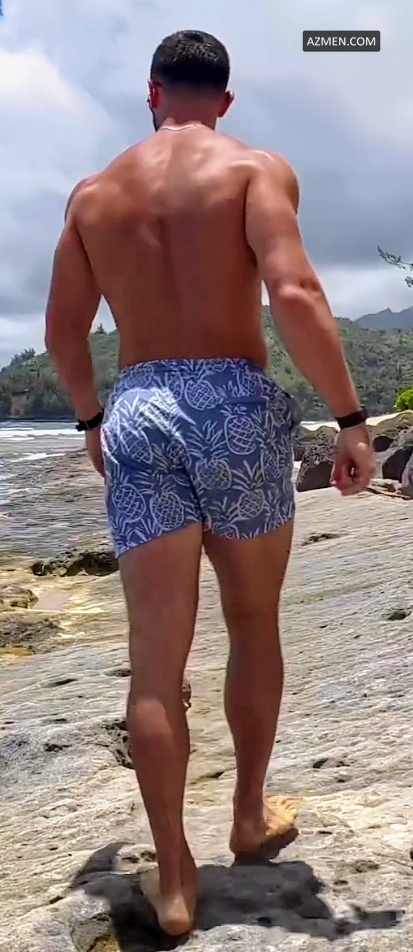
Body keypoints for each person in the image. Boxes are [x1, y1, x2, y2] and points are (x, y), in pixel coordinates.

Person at [45, 29, 375, 936]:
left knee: (156, 660)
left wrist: (91, 422)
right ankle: (248, 815)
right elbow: (294, 293)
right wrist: (349, 421)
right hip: (234, 405)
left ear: (152, 92)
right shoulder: (253, 169)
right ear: (223, 100)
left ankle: (176, 879)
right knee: (252, 621)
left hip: (140, 407)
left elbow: (64, 334)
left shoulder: (93, 195)